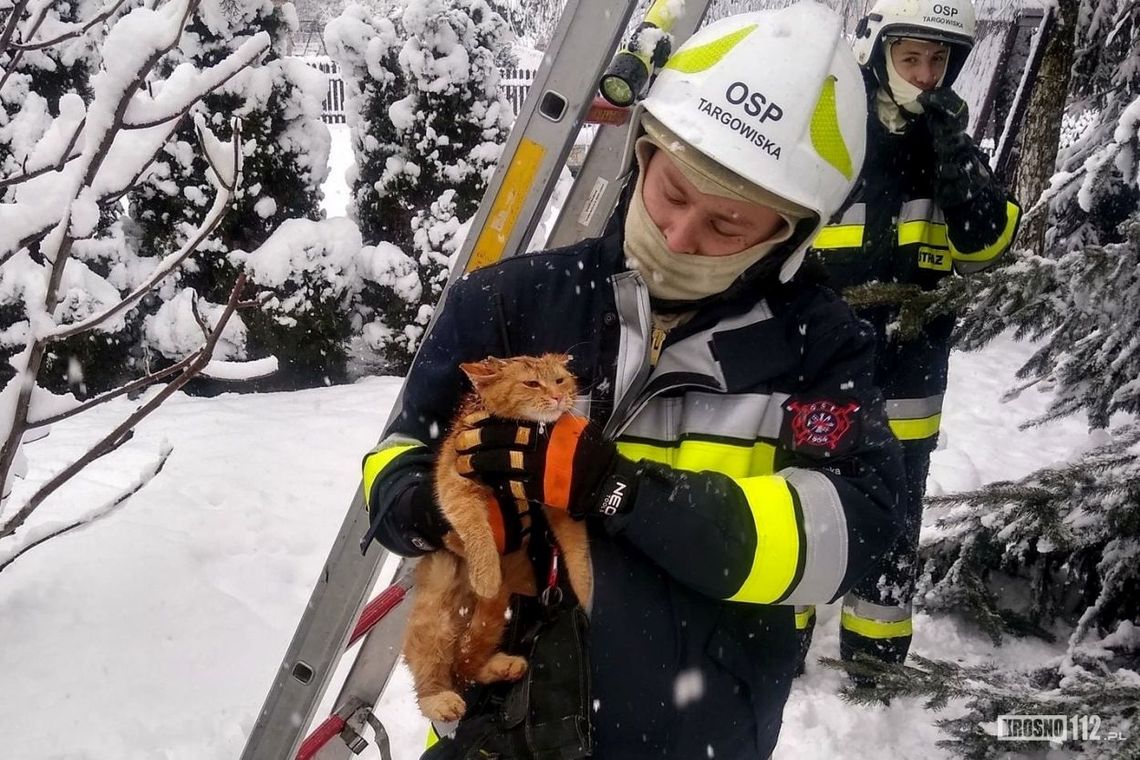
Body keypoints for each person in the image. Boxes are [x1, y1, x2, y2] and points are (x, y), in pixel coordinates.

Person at [362, 5, 905, 758]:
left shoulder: (820, 349)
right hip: (498, 721)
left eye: (727, 226)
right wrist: (433, 506)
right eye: (672, 193)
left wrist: (629, 496)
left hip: (696, 733)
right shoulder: (509, 303)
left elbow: (858, 535)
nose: (681, 237)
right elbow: (396, 459)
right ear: (641, 155)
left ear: (788, 236)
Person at [797, 0, 1022, 675]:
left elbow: (987, 251)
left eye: (938, 61)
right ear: (879, 51)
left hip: (911, 362)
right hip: (823, 353)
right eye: (910, 58)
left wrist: (961, 171)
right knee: (807, 491)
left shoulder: (952, 140)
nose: (925, 75)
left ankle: (874, 653)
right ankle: (779, 639)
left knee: (896, 504)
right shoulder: (836, 121)